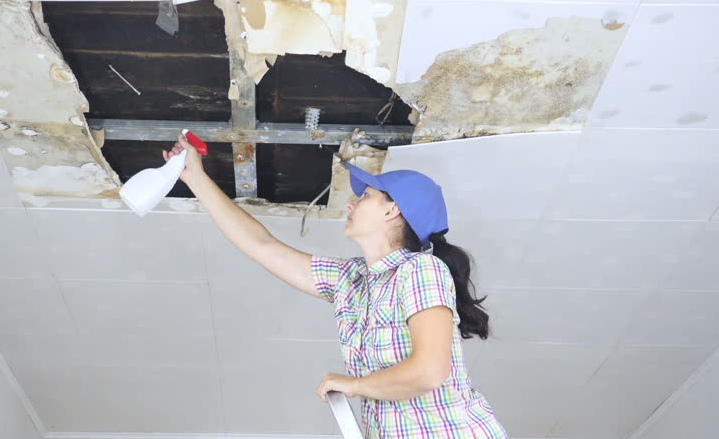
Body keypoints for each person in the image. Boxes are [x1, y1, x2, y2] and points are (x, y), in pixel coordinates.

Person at [164, 134, 508, 438]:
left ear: (393, 211)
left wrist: (353, 385)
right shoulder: (352, 281)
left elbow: (430, 371)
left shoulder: (420, 269)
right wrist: (196, 178)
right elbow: (262, 247)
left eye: (366, 196)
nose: (350, 203)